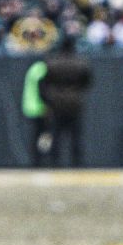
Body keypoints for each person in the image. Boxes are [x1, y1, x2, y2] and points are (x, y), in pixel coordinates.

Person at [39, 38, 92, 167]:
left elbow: (43, 84)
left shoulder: (51, 63)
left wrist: (48, 99)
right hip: (75, 102)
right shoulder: (81, 63)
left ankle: (54, 164)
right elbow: (87, 82)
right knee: (75, 136)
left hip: (56, 103)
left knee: (56, 135)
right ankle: (77, 164)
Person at [22, 58, 50, 166]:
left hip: (31, 107)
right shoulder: (41, 69)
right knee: (42, 135)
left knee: (36, 135)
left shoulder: (34, 68)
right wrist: (46, 106)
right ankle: (39, 161)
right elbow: (42, 89)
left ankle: (37, 161)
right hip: (39, 108)